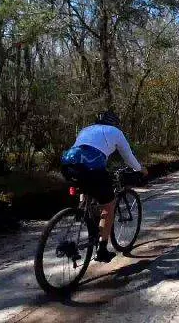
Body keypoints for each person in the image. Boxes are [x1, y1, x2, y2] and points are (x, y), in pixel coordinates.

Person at [60, 110, 148, 263]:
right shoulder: (115, 131)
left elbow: (88, 149)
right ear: (114, 122)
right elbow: (128, 157)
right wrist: (140, 169)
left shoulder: (86, 129)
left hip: (68, 165)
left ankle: (84, 212)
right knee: (109, 205)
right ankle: (102, 249)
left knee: (88, 187)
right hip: (92, 168)